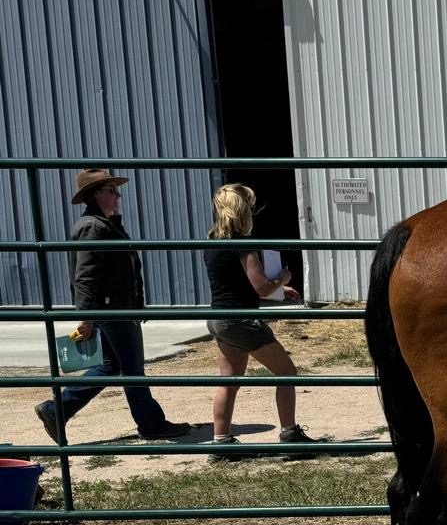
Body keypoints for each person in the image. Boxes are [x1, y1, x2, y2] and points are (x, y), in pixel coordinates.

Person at [33, 169, 190, 444]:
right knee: (132, 369)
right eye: (111, 190)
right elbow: (86, 275)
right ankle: (151, 423)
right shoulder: (94, 227)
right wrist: (86, 316)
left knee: (111, 365)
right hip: (112, 309)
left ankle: (56, 409)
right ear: (95, 194)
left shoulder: (105, 224)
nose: (117, 196)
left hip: (116, 307)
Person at [201, 183, 325, 459]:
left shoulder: (212, 244)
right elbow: (260, 287)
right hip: (242, 321)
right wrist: (283, 279)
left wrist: (280, 291)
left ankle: (221, 442)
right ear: (242, 210)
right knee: (287, 372)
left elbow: (236, 286)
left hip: (220, 318)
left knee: (229, 381)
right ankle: (290, 433)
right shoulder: (245, 246)